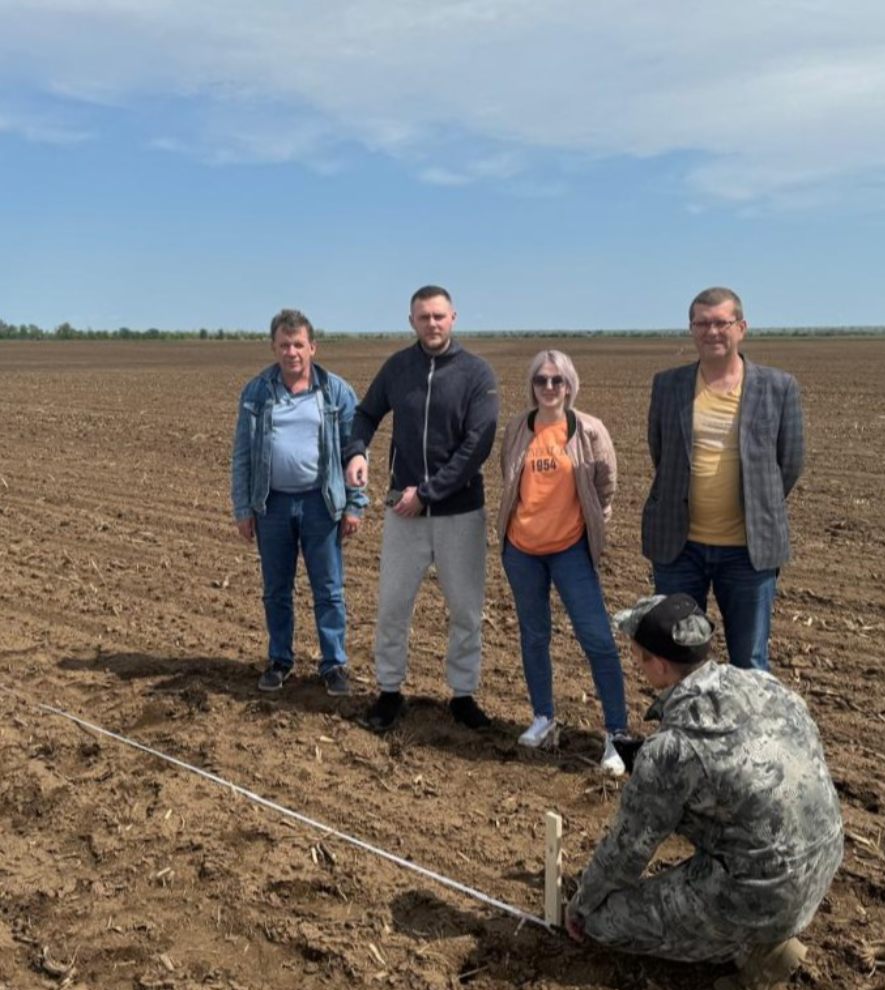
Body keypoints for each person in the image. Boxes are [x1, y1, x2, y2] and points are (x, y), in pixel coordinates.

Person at [566, 593, 843, 990]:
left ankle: (754, 951)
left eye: (639, 658)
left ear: (658, 665)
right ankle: (756, 929)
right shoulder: (763, 683)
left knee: (605, 923)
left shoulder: (672, 750)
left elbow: (627, 850)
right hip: (822, 859)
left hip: (767, 892)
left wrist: (581, 905)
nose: (638, 665)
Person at [344, 285, 499, 732]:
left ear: (454, 318)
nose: (432, 323)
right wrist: (357, 450)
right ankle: (389, 692)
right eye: (423, 317)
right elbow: (366, 413)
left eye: (439, 316)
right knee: (393, 606)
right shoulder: (398, 368)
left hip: (460, 514)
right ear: (411, 321)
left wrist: (427, 493)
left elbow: (477, 446)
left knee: (466, 610)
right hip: (403, 515)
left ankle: (463, 696)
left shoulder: (476, 373)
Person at [642, 287, 804, 670]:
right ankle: (683, 731)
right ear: (691, 329)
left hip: (747, 554)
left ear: (741, 328)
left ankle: (746, 733)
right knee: (678, 657)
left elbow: (790, 463)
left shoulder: (778, 387)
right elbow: (661, 454)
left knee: (749, 661)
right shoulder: (668, 386)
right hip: (679, 549)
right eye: (702, 323)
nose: (711, 331)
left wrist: (756, 503)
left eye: (721, 322)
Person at [496, 350, 629, 775]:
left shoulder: (589, 430)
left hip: (570, 549)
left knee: (597, 638)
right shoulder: (519, 427)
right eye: (541, 380)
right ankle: (543, 718)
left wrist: (593, 526)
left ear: (570, 385)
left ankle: (616, 734)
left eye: (557, 380)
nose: (549, 387)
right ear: (532, 386)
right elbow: (509, 478)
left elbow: (605, 485)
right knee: (534, 635)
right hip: (522, 550)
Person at [231, 308, 366, 695]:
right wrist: (243, 508)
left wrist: (355, 504)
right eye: (284, 345)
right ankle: (280, 660)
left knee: (328, 588)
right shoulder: (256, 392)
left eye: (298, 345)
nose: (292, 352)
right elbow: (242, 455)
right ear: (273, 348)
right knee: (276, 589)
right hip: (270, 505)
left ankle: (333, 664)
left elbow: (353, 450)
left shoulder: (335, 392)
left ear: (312, 347)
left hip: (320, 503)